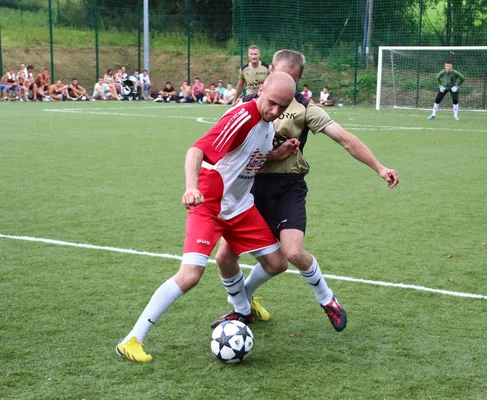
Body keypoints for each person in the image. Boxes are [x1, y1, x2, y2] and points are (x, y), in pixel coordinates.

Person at [115, 72, 298, 363]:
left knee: (277, 263)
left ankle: (240, 303)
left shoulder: (266, 123)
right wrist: (191, 187)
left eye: (282, 107)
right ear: (261, 89)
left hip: (239, 206)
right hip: (209, 202)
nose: (275, 111)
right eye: (272, 103)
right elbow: (196, 150)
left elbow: (251, 159)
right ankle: (132, 339)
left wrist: (278, 153)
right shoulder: (241, 116)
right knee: (190, 276)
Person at [213, 49, 399, 332]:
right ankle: (242, 307)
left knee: (293, 252)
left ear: (298, 80)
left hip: (288, 186)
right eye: (278, 76)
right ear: (269, 71)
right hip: (251, 187)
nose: (283, 87)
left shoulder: (305, 108)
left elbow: (345, 139)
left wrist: (379, 167)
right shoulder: (247, 105)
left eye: (290, 80)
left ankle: (327, 300)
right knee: (226, 256)